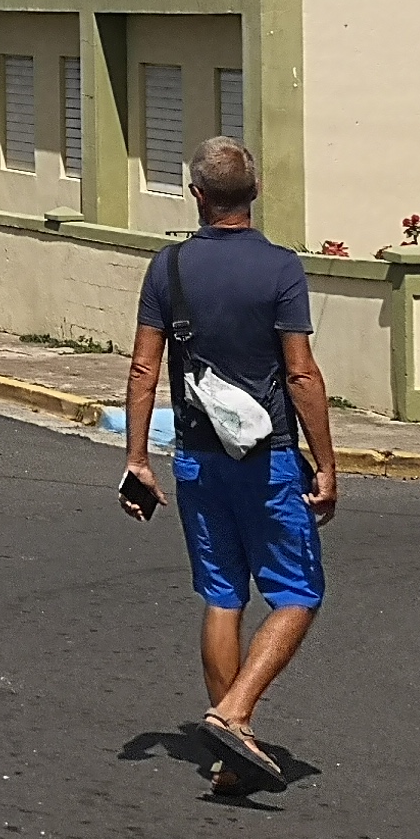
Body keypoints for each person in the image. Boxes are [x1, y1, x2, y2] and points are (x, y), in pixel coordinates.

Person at [119, 135, 334, 795]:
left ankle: (231, 755)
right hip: (267, 459)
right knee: (298, 594)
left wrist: (137, 460)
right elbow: (300, 374)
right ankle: (234, 714)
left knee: (222, 596)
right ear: (255, 192)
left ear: (197, 195)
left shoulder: (169, 268)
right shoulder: (280, 269)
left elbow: (143, 369)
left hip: (197, 458)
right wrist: (327, 465)